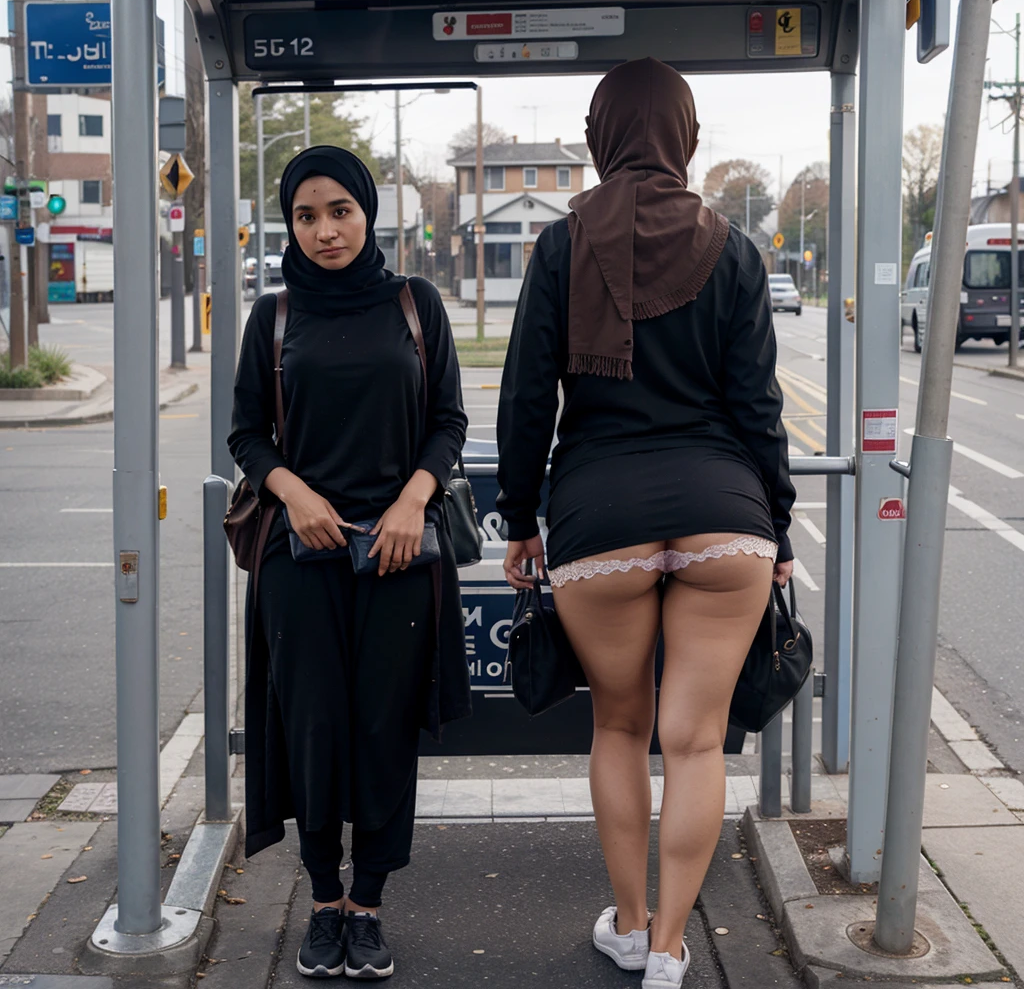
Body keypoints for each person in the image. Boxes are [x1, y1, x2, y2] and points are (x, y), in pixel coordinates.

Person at [496, 59, 795, 989]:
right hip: (725, 518)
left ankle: (628, 925)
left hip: (599, 515)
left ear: (599, 135)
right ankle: (672, 949)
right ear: (687, 135)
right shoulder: (735, 249)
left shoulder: (559, 245)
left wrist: (518, 516)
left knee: (620, 730)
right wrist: (776, 530)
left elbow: (523, 396)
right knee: (696, 740)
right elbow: (758, 408)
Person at [228, 146, 470, 980]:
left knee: (381, 731)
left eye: (340, 211)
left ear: (368, 214)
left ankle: (368, 904)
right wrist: (291, 492)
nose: (325, 230)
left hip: (400, 557)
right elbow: (246, 432)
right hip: (301, 561)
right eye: (306, 215)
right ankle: (323, 900)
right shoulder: (277, 315)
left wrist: (412, 499)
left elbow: (448, 421)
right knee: (313, 730)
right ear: (289, 224)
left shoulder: (415, 304)